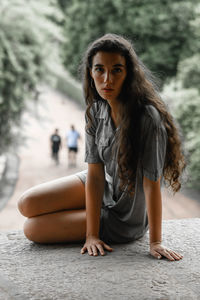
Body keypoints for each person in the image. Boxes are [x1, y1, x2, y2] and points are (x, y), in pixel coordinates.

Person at [18, 33, 185, 261]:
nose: (107, 79)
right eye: (99, 69)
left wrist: (155, 242)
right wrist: (91, 235)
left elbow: (151, 184)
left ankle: (86, 217)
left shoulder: (147, 118)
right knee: (27, 203)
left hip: (124, 215)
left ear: (128, 74)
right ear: (90, 72)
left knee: (32, 229)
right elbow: (95, 176)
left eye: (116, 70)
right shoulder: (96, 111)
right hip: (103, 184)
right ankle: (85, 217)